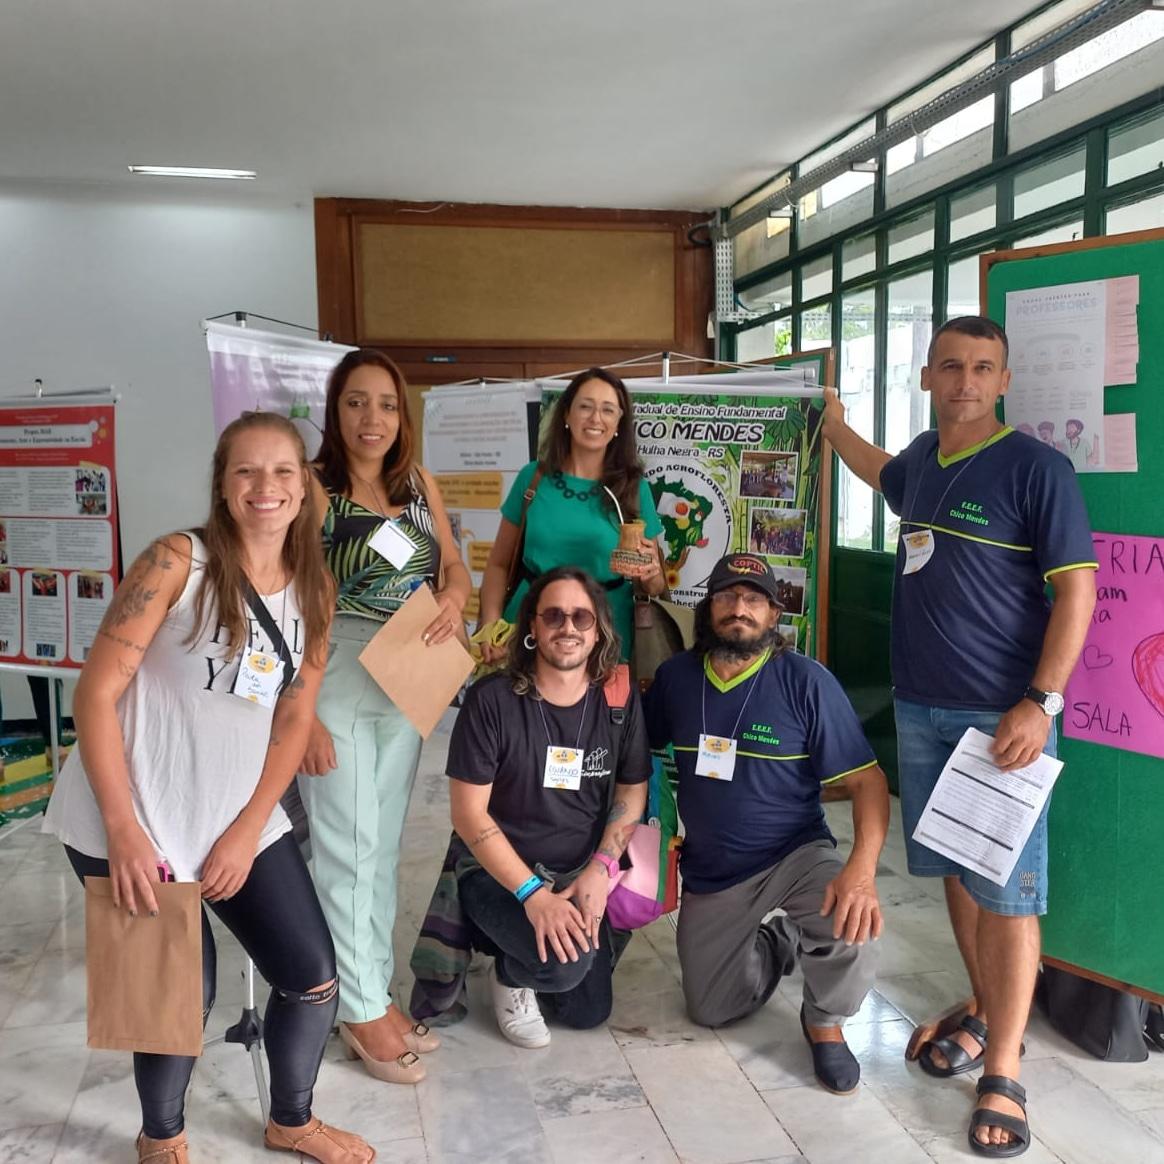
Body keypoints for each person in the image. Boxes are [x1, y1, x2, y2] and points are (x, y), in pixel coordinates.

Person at [42, 412, 373, 1164]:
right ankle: (162, 1138)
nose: (267, 487)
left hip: (234, 814)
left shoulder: (315, 589)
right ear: (223, 486)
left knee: (313, 977)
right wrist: (125, 831)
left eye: (283, 472)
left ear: (304, 487)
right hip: (128, 815)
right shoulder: (175, 563)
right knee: (177, 998)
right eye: (247, 472)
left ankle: (292, 1119)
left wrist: (248, 829)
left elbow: (293, 721)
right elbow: (94, 696)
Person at [822, 315, 1097, 1157]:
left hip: (1002, 719)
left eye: (982, 368)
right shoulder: (923, 464)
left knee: (1009, 892)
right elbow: (880, 475)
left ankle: (1005, 1071)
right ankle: (982, 1006)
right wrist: (833, 427)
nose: (965, 382)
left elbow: (1078, 593)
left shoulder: (1036, 470)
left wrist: (1040, 702)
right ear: (928, 377)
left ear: (1004, 381)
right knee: (957, 873)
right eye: (951, 367)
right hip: (922, 710)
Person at [643, 552, 889, 1094]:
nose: (739, 609)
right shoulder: (676, 678)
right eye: (727, 597)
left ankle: (823, 1022)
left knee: (854, 927)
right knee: (710, 1008)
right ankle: (780, 941)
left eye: (754, 600)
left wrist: (863, 871)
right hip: (715, 867)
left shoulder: (806, 681)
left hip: (797, 853)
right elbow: (638, 754)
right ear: (708, 610)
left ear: (774, 615)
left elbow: (868, 783)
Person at [298, 349, 471, 1085]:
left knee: (382, 847)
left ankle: (373, 995)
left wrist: (456, 600)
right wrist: (296, 712)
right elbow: (287, 602)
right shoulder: (311, 490)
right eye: (357, 403)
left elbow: (453, 566)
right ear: (334, 413)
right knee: (344, 847)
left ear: (404, 416)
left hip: (409, 669)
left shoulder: (417, 484)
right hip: (335, 672)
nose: (373, 419)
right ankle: (360, 1010)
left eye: (388, 405)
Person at [448, 566, 651, 1046]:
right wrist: (534, 896)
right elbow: (468, 813)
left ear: (598, 628)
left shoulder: (618, 698)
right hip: (502, 873)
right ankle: (509, 974)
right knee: (563, 969)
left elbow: (631, 788)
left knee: (586, 1012)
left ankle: (540, 948)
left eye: (581, 617)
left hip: (582, 868)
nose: (568, 628)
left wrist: (601, 868)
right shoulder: (492, 700)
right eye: (554, 616)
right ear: (533, 628)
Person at [477, 367, 665, 664]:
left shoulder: (633, 489)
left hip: (605, 635)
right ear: (566, 415)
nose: (595, 418)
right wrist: (490, 626)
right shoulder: (533, 478)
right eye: (585, 406)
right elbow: (499, 564)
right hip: (529, 628)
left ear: (619, 422)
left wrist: (652, 575)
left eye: (607, 410)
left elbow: (655, 586)